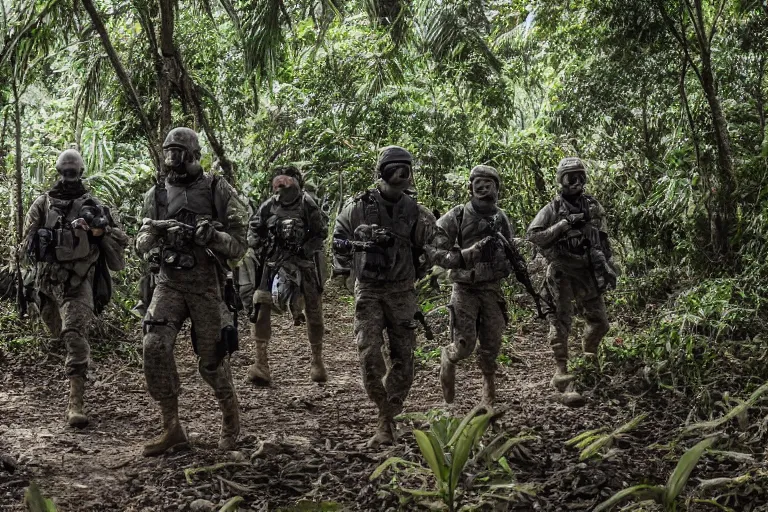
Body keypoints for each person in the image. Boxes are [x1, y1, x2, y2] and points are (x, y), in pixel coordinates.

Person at [332, 146, 488, 447]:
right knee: (369, 356)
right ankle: (383, 411)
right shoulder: (359, 207)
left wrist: (468, 255)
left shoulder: (417, 212)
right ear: (382, 171)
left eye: (405, 169)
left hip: (403, 291)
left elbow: (439, 246)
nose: (401, 175)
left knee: (404, 357)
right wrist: (362, 240)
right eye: (394, 169)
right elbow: (338, 241)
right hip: (369, 290)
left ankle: (387, 418)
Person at [135, 127, 247, 455]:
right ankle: (172, 428)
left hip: (206, 285)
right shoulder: (156, 193)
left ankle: (230, 422)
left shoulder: (216, 188)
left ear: (193, 154)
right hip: (169, 282)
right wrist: (153, 234)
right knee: (154, 345)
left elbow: (240, 245)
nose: (173, 161)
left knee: (212, 360)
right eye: (168, 154)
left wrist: (211, 235)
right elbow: (141, 240)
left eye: (179, 154)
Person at [23, 148, 129, 427]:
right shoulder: (42, 204)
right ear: (59, 172)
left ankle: (75, 405)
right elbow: (27, 243)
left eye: (73, 172)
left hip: (78, 281)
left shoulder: (94, 204)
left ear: (81, 173)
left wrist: (99, 230)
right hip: (47, 282)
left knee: (74, 336)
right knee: (59, 333)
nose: (69, 177)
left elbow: (122, 241)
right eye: (65, 172)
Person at [526, 157, 617, 407]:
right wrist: (564, 225)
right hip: (562, 272)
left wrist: (607, 266)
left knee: (600, 322)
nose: (577, 182)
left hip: (588, 271)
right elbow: (534, 236)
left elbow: (603, 239)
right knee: (561, 323)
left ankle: (589, 362)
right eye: (570, 178)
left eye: (580, 177)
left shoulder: (593, 206)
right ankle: (562, 375)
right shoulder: (553, 208)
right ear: (561, 181)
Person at [433, 165, 517, 406]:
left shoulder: (500, 218)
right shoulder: (457, 215)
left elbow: (510, 247)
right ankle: (448, 357)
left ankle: (488, 391)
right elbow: (434, 248)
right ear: (470, 187)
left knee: (492, 342)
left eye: (489, 183)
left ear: (497, 189)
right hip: (465, 288)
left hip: (492, 288)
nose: (483, 187)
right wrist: (462, 257)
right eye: (478, 183)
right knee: (464, 345)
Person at [246, 165, 328, 385]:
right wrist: (259, 243)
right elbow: (253, 228)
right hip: (273, 262)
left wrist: (306, 249)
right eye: (277, 183)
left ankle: (317, 360)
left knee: (313, 309)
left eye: (286, 182)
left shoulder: (307, 203)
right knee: (261, 305)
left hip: (302, 263)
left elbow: (321, 232)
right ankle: (261, 362)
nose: (281, 187)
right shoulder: (268, 206)